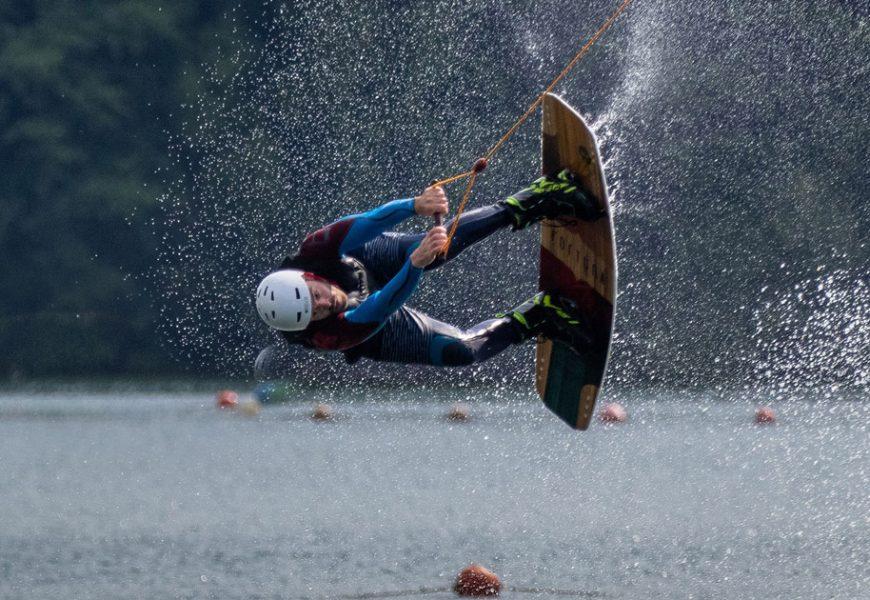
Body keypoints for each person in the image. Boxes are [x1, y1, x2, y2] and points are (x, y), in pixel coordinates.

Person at [254, 170, 603, 373]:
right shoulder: (327, 335)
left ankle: (537, 198)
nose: (324, 305)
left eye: (316, 296)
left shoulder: (313, 251)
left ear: (311, 277)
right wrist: (413, 265)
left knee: (438, 248)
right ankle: (540, 316)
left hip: (365, 259)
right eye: (315, 313)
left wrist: (415, 205)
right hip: (372, 328)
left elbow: (365, 223)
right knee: (460, 353)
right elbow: (381, 306)